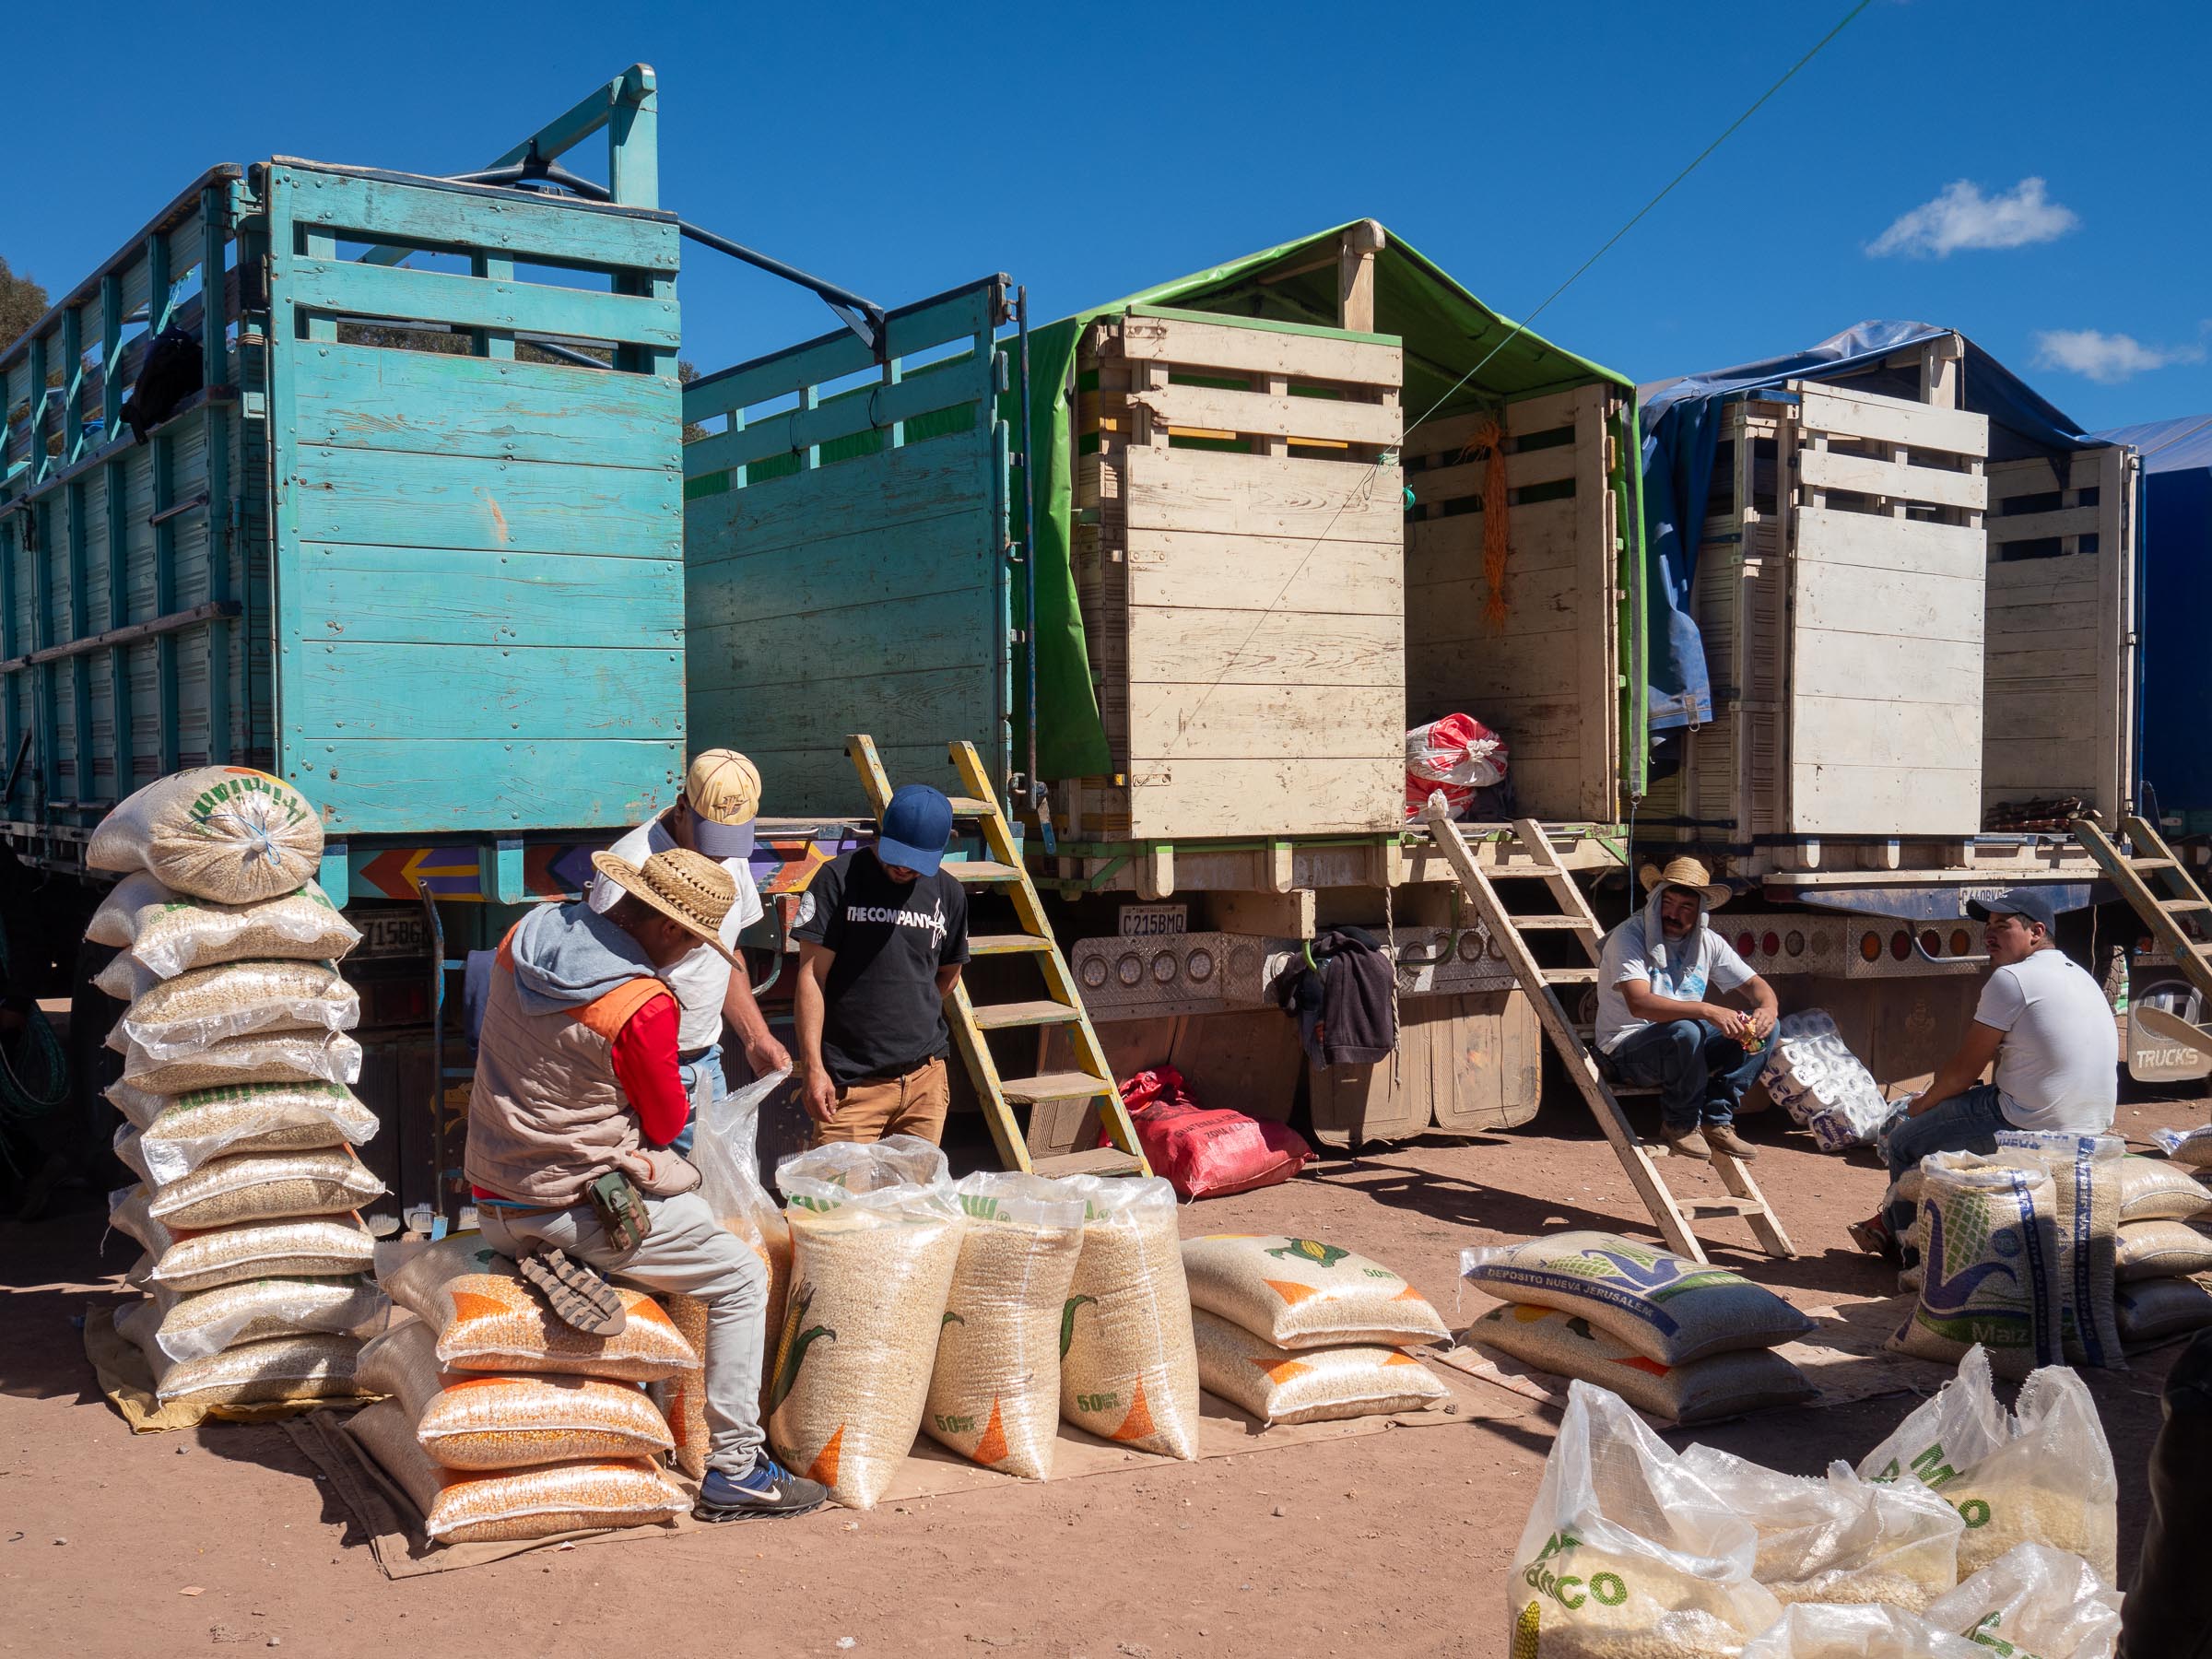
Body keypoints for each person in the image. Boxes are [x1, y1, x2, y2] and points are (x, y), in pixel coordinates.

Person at [466, 847, 826, 1521]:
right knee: (741, 1276)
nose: (686, 958)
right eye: (691, 943)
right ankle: (737, 1468)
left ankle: (546, 1258)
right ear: (667, 927)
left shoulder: (529, 934)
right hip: (572, 1202)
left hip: (493, 1191)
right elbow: (664, 1123)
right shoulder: (641, 1004)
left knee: (684, 1215)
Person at [1854, 887, 2118, 1255]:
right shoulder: (2080, 974)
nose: (1989, 935)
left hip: (2025, 1120)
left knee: (1903, 1141)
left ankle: (1910, 1252)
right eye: (1988, 926)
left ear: (2037, 932)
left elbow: (1963, 1072)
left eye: (2002, 926)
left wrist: (1921, 1105)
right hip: (2093, 1121)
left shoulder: (2012, 978)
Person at [588, 749, 789, 1153]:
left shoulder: (727, 855)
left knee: (714, 1183)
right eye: (712, 839)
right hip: (640, 1071)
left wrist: (755, 1037)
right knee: (665, 1187)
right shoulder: (635, 865)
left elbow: (726, 952)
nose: (720, 854)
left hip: (705, 1063)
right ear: (682, 808)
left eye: (731, 840)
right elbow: (603, 983)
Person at [792, 783, 970, 1147]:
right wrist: (814, 1069)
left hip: (924, 1085)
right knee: (838, 1187)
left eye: (915, 861)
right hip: (851, 1089)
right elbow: (811, 976)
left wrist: (905, 1015)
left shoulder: (949, 893)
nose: (902, 867)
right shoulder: (837, 880)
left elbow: (949, 975)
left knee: (917, 1186)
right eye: (896, 855)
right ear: (882, 833)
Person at [1595, 856, 1779, 1162]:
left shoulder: (1708, 941)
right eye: (1667, 903)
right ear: (1656, 900)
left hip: (1684, 1045)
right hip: (1627, 1050)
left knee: (1764, 1030)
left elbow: (1754, 985)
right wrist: (1707, 1010)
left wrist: (1768, 1008)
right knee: (1686, 1028)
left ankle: (1716, 1120)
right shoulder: (1629, 936)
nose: (1673, 914)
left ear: (1700, 911)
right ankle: (1680, 1124)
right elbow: (1640, 1004)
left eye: (1685, 907)